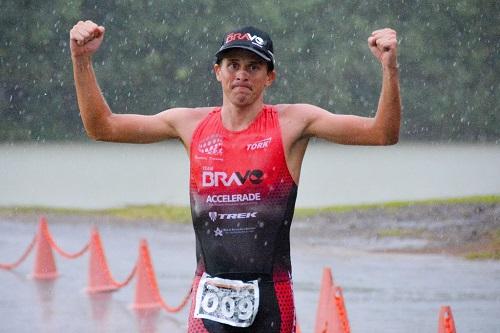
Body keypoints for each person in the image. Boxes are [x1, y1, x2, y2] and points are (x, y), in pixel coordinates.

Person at [70, 20, 400, 333]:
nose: (242, 74)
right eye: (233, 65)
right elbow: (103, 127)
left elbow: (382, 133)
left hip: (272, 293)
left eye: (253, 67)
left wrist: (389, 67)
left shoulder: (293, 123)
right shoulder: (189, 124)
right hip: (209, 292)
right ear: (218, 72)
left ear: (270, 76)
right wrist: (81, 58)